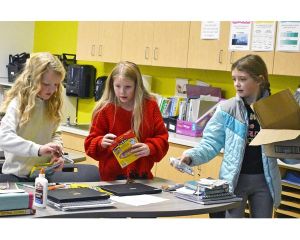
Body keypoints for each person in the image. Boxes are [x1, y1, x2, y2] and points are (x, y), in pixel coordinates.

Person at [176, 54, 282, 218]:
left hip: (265, 181)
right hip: (234, 181)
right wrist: (191, 156)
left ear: (259, 80)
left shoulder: (275, 108)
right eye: (234, 79)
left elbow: (287, 151)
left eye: (242, 79)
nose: (236, 84)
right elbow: (210, 144)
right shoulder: (226, 109)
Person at [85, 61, 169, 181]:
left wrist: (150, 148)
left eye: (128, 87)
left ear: (137, 85)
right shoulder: (104, 109)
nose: (122, 92)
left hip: (142, 178)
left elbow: (162, 138)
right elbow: (89, 145)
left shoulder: (150, 106)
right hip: (111, 180)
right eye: (117, 86)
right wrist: (100, 142)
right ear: (111, 85)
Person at [0, 52, 66, 181]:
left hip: (44, 175)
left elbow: (55, 133)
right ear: (32, 80)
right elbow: (4, 137)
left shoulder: (52, 104)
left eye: (56, 85)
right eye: (46, 84)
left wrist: (56, 150)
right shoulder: (19, 104)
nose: (52, 90)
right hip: (17, 176)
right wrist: (38, 149)